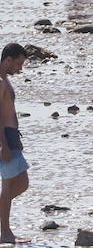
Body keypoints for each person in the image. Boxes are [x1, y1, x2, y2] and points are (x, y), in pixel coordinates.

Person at [0, 42, 28, 247]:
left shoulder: (5, 80)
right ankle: (6, 233)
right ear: (7, 60)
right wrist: (3, 145)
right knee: (9, 185)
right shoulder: (0, 82)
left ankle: (6, 228)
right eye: (18, 63)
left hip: (12, 136)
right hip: (5, 138)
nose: (20, 68)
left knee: (22, 183)